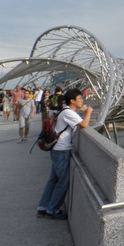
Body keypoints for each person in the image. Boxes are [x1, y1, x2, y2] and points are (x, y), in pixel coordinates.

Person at [37, 88, 92, 220]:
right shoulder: (68, 113)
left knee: (53, 180)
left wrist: (82, 111)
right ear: (72, 101)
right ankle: (52, 210)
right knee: (63, 182)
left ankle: (42, 207)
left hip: (57, 150)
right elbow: (84, 125)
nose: (82, 101)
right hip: (61, 151)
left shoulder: (65, 111)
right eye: (80, 99)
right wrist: (89, 112)